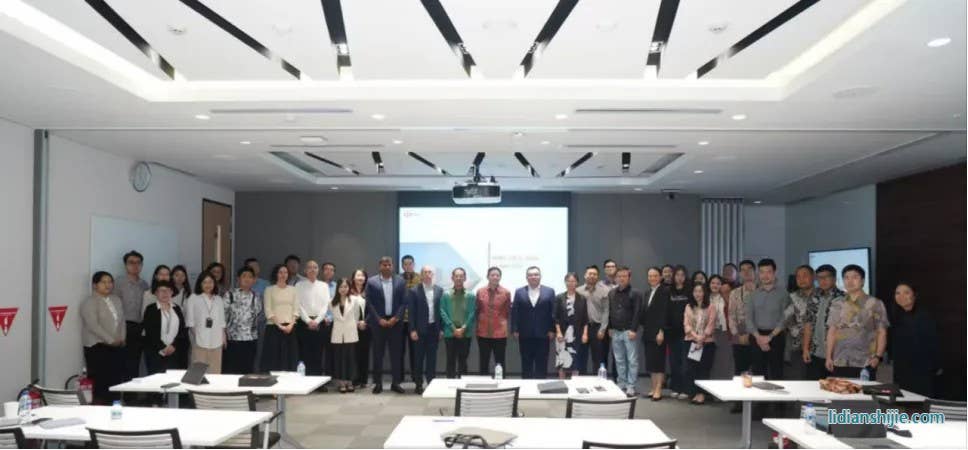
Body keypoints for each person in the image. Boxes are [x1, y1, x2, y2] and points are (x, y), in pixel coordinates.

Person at [825, 265, 888, 379]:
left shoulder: (875, 303)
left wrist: (878, 357)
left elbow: (881, 332)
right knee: (841, 389)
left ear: (862, 281)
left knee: (864, 390)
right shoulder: (837, 303)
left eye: (855, 277)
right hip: (840, 360)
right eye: (846, 277)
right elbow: (832, 331)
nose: (850, 281)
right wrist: (829, 356)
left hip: (866, 361)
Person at [81, 271, 125, 404]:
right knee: (101, 381)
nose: (108, 285)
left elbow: (122, 321)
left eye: (110, 282)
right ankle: (101, 407)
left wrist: (122, 338)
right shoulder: (89, 302)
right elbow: (93, 325)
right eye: (103, 282)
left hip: (116, 346)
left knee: (116, 379)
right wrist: (110, 340)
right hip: (97, 347)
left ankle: (115, 405)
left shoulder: (116, 299)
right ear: (95, 285)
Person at [365, 256, 408, 394]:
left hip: (395, 323)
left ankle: (396, 383)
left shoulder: (400, 281)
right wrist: (378, 319)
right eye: (384, 265)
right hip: (378, 324)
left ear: (393, 266)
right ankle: (378, 383)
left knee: (396, 355)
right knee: (378, 354)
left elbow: (404, 302)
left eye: (389, 265)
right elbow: (369, 303)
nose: (387, 267)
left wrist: (396, 318)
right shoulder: (371, 282)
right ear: (380, 266)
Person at [891, 283, 940, 397]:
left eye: (906, 292)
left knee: (920, 401)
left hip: (922, 370)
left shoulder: (925, 316)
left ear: (914, 295)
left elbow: (933, 344)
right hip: (901, 369)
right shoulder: (896, 315)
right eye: (898, 293)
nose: (901, 296)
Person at [745, 258, 789, 380]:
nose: (765, 275)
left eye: (768, 272)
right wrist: (759, 338)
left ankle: (777, 394)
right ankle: (759, 394)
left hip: (776, 336)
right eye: (762, 272)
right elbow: (748, 319)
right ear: (758, 274)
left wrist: (769, 337)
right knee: (758, 373)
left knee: (777, 372)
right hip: (756, 336)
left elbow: (785, 318)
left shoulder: (784, 294)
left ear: (774, 273)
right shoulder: (753, 295)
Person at [601, 267, 641, 397]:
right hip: (615, 332)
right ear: (616, 278)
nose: (621, 278)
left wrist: (634, 329)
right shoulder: (612, 293)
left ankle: (631, 386)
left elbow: (637, 313)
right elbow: (610, 311)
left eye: (624, 276)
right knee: (619, 360)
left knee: (632, 360)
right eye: (619, 276)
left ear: (629, 277)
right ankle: (621, 383)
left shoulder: (635, 293)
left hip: (629, 331)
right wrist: (610, 328)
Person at [511, 266, 555, 379]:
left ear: (540, 276)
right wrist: (515, 329)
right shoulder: (519, 292)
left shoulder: (549, 291)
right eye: (530, 275)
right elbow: (515, 312)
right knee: (526, 362)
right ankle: (526, 385)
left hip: (543, 334)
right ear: (527, 277)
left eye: (536, 274)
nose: (533, 277)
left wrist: (552, 330)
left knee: (542, 362)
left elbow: (553, 312)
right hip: (525, 334)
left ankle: (541, 385)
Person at [802, 264, 842, 380]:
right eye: (819, 278)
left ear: (834, 279)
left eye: (826, 277)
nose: (822, 281)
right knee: (812, 386)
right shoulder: (814, 296)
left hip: (835, 354)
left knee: (833, 387)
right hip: (814, 352)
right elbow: (808, 323)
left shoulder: (842, 298)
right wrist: (805, 349)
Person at [408, 266, 443, 394]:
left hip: (434, 329)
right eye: (425, 272)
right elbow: (411, 312)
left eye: (430, 272)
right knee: (418, 359)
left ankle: (431, 383)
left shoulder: (439, 290)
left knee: (432, 359)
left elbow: (441, 311)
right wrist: (412, 330)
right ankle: (418, 384)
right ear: (421, 275)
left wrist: (441, 329)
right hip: (419, 330)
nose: (428, 274)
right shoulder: (414, 291)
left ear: (433, 275)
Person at [296, 261, 332, 383]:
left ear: (318, 270)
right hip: (303, 322)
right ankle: (304, 381)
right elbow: (298, 305)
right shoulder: (299, 285)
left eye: (315, 267)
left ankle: (318, 382)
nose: (312, 269)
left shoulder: (324, 286)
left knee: (318, 352)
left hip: (319, 322)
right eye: (309, 267)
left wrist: (316, 321)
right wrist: (308, 320)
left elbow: (326, 305)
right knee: (304, 352)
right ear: (305, 270)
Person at [142, 280, 188, 375]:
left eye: (168, 290)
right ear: (156, 293)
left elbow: (182, 330)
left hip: (175, 352)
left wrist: (173, 346)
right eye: (161, 290)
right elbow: (150, 332)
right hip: (156, 352)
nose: (165, 293)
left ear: (172, 292)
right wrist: (163, 347)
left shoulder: (177, 308)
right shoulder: (151, 309)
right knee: (157, 380)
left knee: (174, 380)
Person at [115, 250, 148, 382]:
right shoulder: (118, 283)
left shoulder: (145, 284)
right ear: (125, 265)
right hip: (124, 326)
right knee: (122, 362)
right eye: (131, 262)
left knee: (135, 362)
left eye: (138, 263)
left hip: (140, 327)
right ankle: (121, 392)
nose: (135, 265)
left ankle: (132, 392)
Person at [184, 271, 226, 373]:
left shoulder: (218, 299)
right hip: (199, 340)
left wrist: (223, 337)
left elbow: (222, 321)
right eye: (205, 282)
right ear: (200, 283)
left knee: (215, 372)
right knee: (198, 372)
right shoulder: (193, 298)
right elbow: (190, 321)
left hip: (216, 340)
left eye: (210, 282)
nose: (208, 285)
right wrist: (197, 336)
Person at [223, 266, 262, 375]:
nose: (247, 279)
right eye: (244, 276)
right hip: (232, 339)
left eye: (250, 277)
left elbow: (258, 314)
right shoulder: (229, 295)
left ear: (254, 280)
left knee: (248, 370)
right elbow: (222, 316)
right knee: (231, 371)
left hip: (251, 339)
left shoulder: (256, 296)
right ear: (238, 279)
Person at [638, 267, 669, 401]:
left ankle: (658, 389)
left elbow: (665, 313)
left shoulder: (665, 291)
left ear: (660, 277)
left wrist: (661, 331)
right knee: (650, 362)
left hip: (658, 332)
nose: (652, 278)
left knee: (658, 362)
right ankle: (653, 387)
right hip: (648, 332)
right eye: (650, 276)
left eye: (655, 276)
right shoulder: (647, 292)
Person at [683, 282, 717, 404]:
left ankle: (702, 394)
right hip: (691, 341)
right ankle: (694, 392)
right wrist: (696, 337)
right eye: (695, 291)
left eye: (700, 291)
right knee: (692, 369)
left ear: (704, 293)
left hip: (707, 342)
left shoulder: (711, 307)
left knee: (704, 369)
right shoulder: (688, 307)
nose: (697, 294)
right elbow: (686, 324)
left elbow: (711, 325)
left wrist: (701, 338)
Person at [441, 267, 477, 380]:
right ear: (452, 278)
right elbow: (442, 312)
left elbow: (472, 313)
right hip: (450, 332)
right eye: (456, 276)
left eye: (461, 276)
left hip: (465, 333)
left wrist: (463, 328)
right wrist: (453, 328)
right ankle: (450, 384)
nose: (459, 278)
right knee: (450, 360)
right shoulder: (446, 295)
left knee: (463, 360)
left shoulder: (471, 295)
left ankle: (462, 384)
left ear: (465, 278)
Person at [262, 265, 299, 371]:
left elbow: (296, 310)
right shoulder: (269, 290)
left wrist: (291, 325)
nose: (283, 275)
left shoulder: (293, 290)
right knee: (274, 358)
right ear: (276, 274)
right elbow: (268, 310)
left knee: (289, 357)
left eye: (285, 272)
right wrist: (280, 326)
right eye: (280, 272)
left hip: (290, 327)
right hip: (274, 327)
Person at [331, 278, 364, 393]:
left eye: (345, 287)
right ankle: (341, 382)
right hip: (338, 333)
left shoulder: (354, 300)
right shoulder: (332, 301)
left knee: (350, 358)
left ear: (349, 288)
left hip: (350, 332)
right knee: (339, 359)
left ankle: (350, 382)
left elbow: (356, 315)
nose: (343, 289)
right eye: (341, 287)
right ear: (337, 288)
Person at [577, 265, 611, 378]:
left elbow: (606, 311)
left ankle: (599, 383)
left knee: (598, 358)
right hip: (582, 328)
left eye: (595, 274)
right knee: (581, 357)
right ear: (585, 275)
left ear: (598, 276)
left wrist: (603, 329)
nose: (592, 276)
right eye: (590, 274)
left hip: (598, 328)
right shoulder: (578, 291)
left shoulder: (604, 291)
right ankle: (581, 382)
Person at [475, 267, 511, 375]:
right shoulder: (480, 292)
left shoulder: (506, 293)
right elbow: (477, 310)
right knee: (483, 361)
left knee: (500, 362)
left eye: (497, 275)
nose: (495, 277)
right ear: (487, 277)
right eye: (492, 275)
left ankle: (501, 383)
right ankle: (483, 383)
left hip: (500, 333)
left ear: (500, 277)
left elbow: (507, 311)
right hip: (483, 332)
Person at [555, 273, 588, 378]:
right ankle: (562, 383)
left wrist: (585, 334)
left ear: (577, 283)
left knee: (576, 362)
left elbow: (585, 319)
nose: (570, 283)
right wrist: (558, 332)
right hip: (562, 334)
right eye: (568, 281)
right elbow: (556, 317)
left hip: (577, 334)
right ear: (565, 282)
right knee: (562, 361)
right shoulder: (559, 297)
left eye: (573, 281)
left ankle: (575, 384)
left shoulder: (582, 298)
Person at [785, 265, 816, 380]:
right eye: (798, 277)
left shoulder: (821, 295)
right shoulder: (792, 297)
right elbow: (788, 319)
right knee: (799, 379)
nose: (801, 279)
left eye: (805, 275)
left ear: (813, 277)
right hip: (798, 346)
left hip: (820, 347)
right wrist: (802, 336)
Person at [666, 265, 691, 399]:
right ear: (674, 276)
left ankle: (685, 389)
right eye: (677, 275)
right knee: (674, 361)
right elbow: (665, 311)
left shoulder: (689, 291)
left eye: (682, 275)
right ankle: (675, 387)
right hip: (672, 332)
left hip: (686, 332)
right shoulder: (669, 291)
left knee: (685, 362)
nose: (680, 277)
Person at [400, 255, 419, 388]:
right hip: (400, 320)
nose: (408, 266)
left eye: (410, 264)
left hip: (414, 321)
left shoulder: (420, 278)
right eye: (405, 264)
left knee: (415, 351)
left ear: (414, 264)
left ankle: (415, 375)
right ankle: (399, 375)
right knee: (399, 350)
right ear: (402, 266)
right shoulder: (397, 279)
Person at [350, 269, 371, 388]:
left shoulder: (369, 291)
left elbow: (372, 309)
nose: (360, 277)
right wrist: (356, 323)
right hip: (352, 326)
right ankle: (354, 379)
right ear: (353, 278)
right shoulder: (349, 291)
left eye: (363, 275)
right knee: (353, 354)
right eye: (358, 275)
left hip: (366, 326)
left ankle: (364, 380)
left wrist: (365, 321)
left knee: (364, 353)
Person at [320, 262, 337, 378]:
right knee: (318, 350)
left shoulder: (337, 286)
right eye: (326, 269)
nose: (329, 271)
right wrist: (323, 317)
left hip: (334, 323)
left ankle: (330, 375)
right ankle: (318, 375)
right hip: (319, 322)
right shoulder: (317, 285)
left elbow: (339, 304)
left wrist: (330, 318)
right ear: (322, 271)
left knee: (332, 350)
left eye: (331, 270)